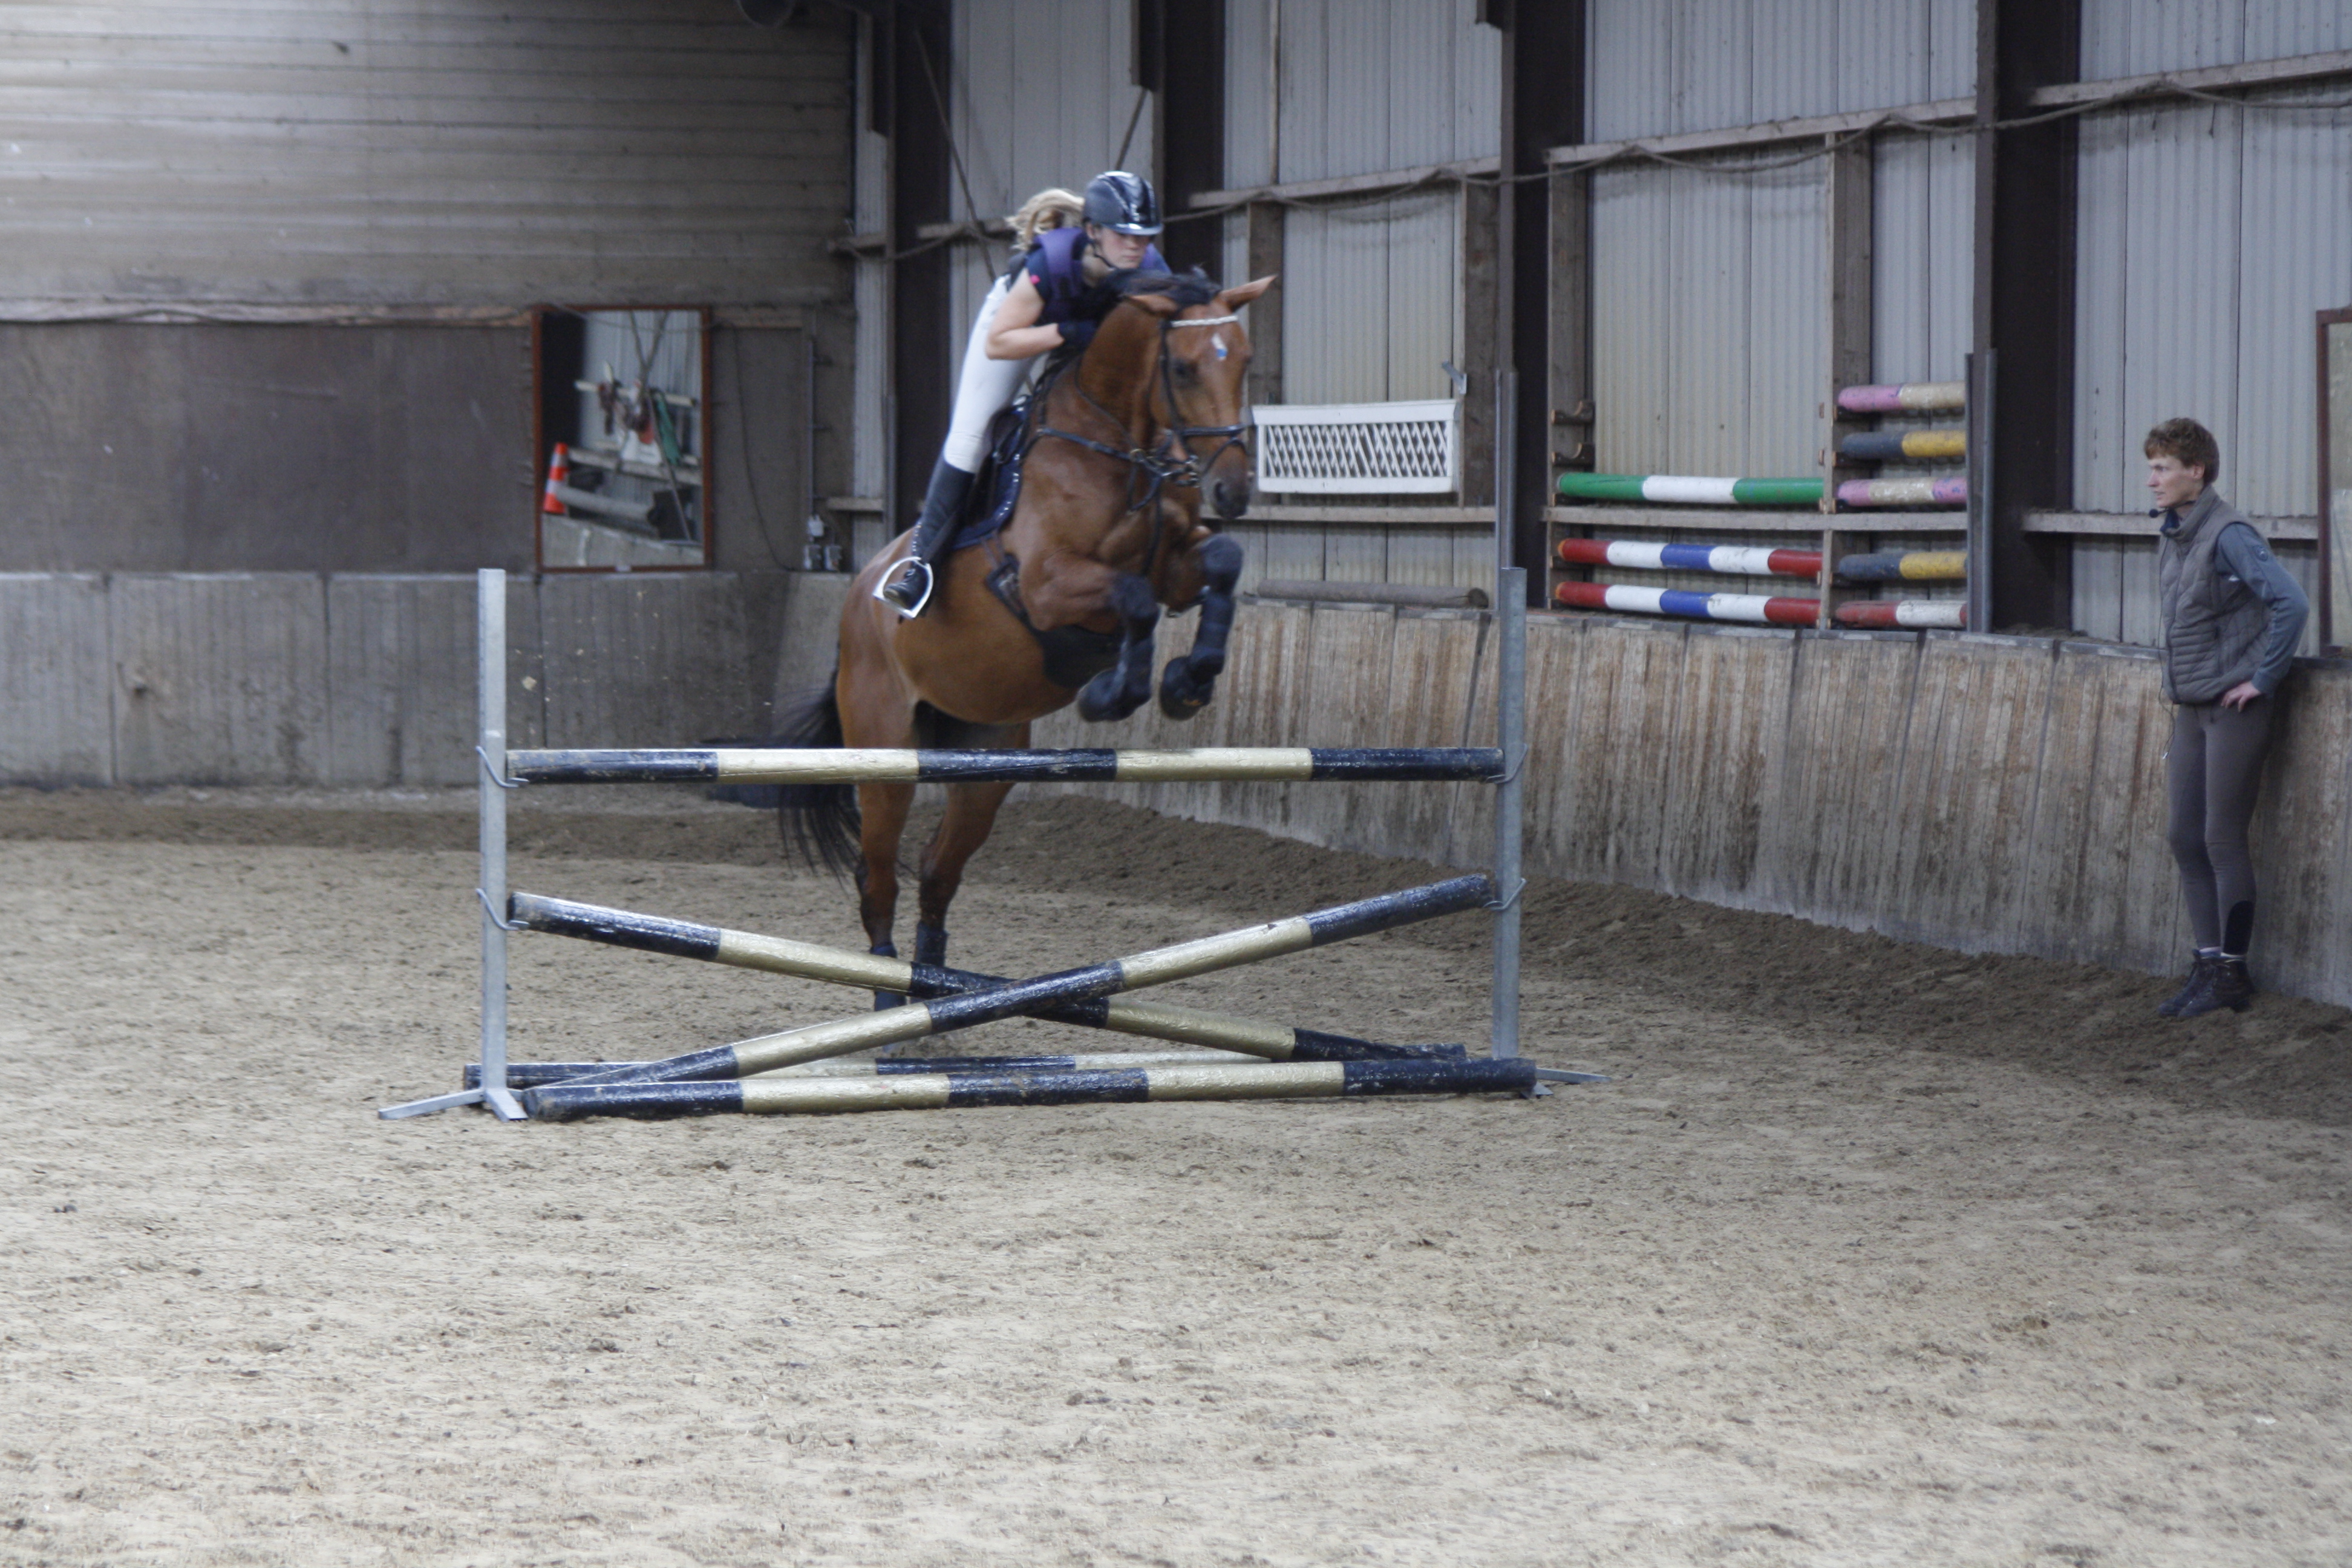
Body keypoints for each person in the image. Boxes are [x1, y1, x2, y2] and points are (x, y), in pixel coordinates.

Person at [877, 170, 1168, 616]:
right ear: (1093, 231)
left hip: (1085, 337)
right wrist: (1066, 331)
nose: (1137, 246)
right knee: (972, 436)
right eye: (1124, 235)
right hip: (1025, 327)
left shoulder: (1151, 269)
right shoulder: (1049, 264)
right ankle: (920, 568)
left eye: (1145, 236)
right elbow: (1000, 342)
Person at [2146, 417, 2309, 1018]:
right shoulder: (2176, 532)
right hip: (2191, 705)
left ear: (2198, 471)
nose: (2152, 479)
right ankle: (2209, 959)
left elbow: (2290, 603)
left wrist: (2262, 679)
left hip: (2232, 708)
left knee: (2220, 835)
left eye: (2163, 467)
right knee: (2183, 836)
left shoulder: (2230, 532)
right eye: (2153, 466)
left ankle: (2233, 975)